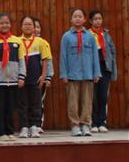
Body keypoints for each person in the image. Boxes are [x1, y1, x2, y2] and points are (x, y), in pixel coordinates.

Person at [59, 8, 101, 136]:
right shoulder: (66, 37)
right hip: (72, 75)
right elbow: (63, 57)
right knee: (72, 102)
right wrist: (64, 74)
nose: (77, 18)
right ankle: (75, 125)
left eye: (80, 16)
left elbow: (95, 55)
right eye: (75, 16)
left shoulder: (90, 36)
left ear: (84, 19)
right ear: (71, 19)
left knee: (87, 102)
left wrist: (96, 73)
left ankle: (86, 124)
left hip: (88, 74)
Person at [0, 13, 25, 141]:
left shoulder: (17, 41)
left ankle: (10, 131)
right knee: (0, 107)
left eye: (7, 23)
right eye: (1, 23)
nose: (4, 25)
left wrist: (21, 76)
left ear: (10, 24)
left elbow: (21, 60)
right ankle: (1, 132)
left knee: (11, 107)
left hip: (13, 80)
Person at [17, 16, 50, 138]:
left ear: (34, 27)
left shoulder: (40, 42)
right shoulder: (16, 41)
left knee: (36, 103)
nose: (28, 26)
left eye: (30, 24)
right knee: (22, 103)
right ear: (21, 27)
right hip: (21, 79)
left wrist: (43, 76)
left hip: (36, 78)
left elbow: (45, 60)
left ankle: (34, 126)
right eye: (25, 24)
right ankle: (24, 127)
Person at [89, 10, 118, 132]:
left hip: (105, 67)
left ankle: (102, 122)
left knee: (103, 95)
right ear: (91, 21)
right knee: (93, 96)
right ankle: (93, 123)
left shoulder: (106, 35)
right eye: (95, 19)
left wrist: (113, 70)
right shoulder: (88, 34)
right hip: (92, 69)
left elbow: (112, 52)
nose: (98, 21)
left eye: (99, 19)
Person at [33, 18, 53, 132]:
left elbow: (48, 61)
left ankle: (38, 124)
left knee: (39, 101)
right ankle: (29, 124)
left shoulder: (44, 43)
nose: (36, 29)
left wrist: (48, 77)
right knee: (27, 102)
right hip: (28, 77)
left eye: (38, 27)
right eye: (34, 27)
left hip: (42, 77)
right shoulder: (22, 41)